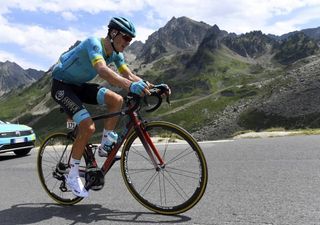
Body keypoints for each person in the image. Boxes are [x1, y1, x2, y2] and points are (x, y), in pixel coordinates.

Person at [50, 17, 151, 198]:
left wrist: (151, 86)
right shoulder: (93, 43)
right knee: (88, 127)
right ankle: (72, 175)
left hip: (79, 86)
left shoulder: (116, 54)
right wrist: (129, 86)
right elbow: (102, 70)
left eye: (131, 40)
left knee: (116, 99)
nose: (128, 43)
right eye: (126, 38)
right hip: (62, 86)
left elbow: (128, 74)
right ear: (113, 33)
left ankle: (105, 144)